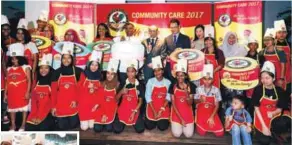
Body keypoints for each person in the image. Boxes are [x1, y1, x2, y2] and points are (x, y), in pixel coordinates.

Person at [252, 61, 289, 145]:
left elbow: (280, 109)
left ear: (273, 78)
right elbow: (256, 108)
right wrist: (264, 127)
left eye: (267, 78)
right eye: (262, 78)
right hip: (261, 117)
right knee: (265, 140)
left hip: (274, 117)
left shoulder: (279, 91)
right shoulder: (258, 90)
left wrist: (273, 112)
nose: (264, 80)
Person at [51, 42, 84, 130]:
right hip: (60, 105)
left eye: (68, 58)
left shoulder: (78, 71)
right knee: (62, 126)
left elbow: (81, 90)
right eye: (64, 58)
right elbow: (53, 92)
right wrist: (53, 107)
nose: (66, 60)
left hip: (74, 105)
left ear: (72, 59)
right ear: (61, 59)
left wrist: (76, 101)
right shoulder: (56, 72)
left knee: (73, 125)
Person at [4, 43, 31, 131]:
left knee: (24, 108)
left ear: (20, 58)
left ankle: (23, 124)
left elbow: (29, 80)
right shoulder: (9, 69)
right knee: (12, 108)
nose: (14, 61)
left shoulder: (25, 67)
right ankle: (13, 124)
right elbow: (7, 82)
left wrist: (27, 92)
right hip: (12, 92)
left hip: (22, 91)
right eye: (12, 59)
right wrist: (5, 94)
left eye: (16, 59)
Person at [113, 59, 145, 133]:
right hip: (123, 109)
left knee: (140, 129)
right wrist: (121, 92)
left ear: (136, 72)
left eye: (132, 71)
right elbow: (115, 99)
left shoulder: (139, 85)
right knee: (117, 130)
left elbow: (140, 101)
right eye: (128, 71)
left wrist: (134, 112)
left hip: (135, 109)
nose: (130, 74)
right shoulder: (123, 83)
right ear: (126, 72)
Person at [26, 54, 55, 131]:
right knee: (29, 126)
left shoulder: (53, 83)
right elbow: (34, 101)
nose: (43, 70)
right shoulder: (36, 81)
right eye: (41, 68)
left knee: (42, 127)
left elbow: (51, 103)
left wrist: (41, 116)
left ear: (50, 69)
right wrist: (34, 115)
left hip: (48, 113)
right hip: (36, 111)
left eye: (46, 68)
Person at [169, 59, 196, 138]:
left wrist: (186, 93)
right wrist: (180, 119)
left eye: (182, 75)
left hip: (187, 113)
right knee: (177, 134)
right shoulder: (172, 86)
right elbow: (173, 104)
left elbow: (190, 103)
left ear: (185, 76)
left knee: (188, 135)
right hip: (176, 113)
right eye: (178, 75)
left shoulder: (191, 86)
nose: (179, 77)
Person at [194, 64, 224, 137]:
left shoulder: (216, 90)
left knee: (220, 133)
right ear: (202, 79)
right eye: (205, 79)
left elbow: (217, 105)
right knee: (201, 132)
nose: (207, 81)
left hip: (212, 111)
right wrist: (200, 100)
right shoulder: (198, 89)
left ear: (213, 79)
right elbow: (195, 102)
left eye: (209, 79)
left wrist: (212, 117)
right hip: (201, 111)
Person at [78, 50, 103, 131]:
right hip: (84, 104)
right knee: (84, 128)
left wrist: (96, 105)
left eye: (96, 65)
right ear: (89, 64)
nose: (94, 67)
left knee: (92, 126)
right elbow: (78, 88)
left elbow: (101, 92)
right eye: (92, 64)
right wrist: (87, 87)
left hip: (94, 105)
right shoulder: (84, 74)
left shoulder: (100, 76)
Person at [144, 56, 171, 131]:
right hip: (152, 106)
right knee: (149, 126)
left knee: (162, 127)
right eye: (155, 71)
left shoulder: (168, 82)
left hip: (163, 107)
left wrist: (161, 110)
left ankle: (159, 122)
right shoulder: (150, 81)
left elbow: (168, 98)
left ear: (162, 71)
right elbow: (148, 97)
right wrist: (154, 112)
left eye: (159, 70)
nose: (157, 73)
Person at [94, 58, 120, 132]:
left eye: (112, 74)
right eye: (108, 73)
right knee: (97, 129)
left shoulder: (118, 86)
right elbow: (100, 100)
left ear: (115, 75)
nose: (109, 76)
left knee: (109, 129)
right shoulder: (102, 84)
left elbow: (115, 103)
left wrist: (107, 114)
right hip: (102, 109)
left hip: (112, 110)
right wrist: (103, 114)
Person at [274, 20, 291, 91]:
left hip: (288, 73)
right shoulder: (271, 45)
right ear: (276, 34)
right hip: (275, 73)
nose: (282, 34)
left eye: (284, 32)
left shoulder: (290, 45)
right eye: (279, 32)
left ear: (286, 33)